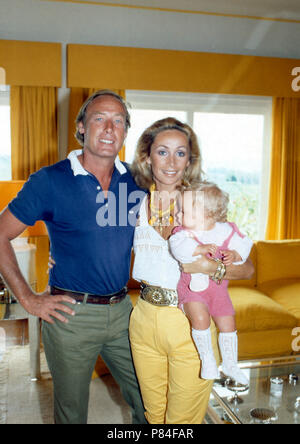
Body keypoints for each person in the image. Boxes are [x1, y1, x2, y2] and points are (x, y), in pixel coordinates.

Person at [0, 90, 147, 424]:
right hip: (70, 317)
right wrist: (28, 300)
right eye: (100, 119)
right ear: (81, 127)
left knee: (149, 399)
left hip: (124, 311)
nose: (110, 128)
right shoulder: (49, 181)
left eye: (119, 121)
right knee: (71, 413)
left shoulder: (138, 181)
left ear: (125, 132)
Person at [128, 117, 254, 424]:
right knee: (154, 416)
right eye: (162, 152)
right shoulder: (133, 203)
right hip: (143, 317)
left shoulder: (202, 204)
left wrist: (210, 268)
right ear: (147, 156)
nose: (171, 162)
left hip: (188, 318)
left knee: (182, 422)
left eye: (180, 153)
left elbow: (247, 267)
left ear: (190, 159)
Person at [169, 181, 252, 385]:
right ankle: (208, 360)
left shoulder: (226, 230)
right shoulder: (183, 233)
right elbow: (177, 247)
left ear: (206, 215)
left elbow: (244, 242)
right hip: (192, 291)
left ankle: (231, 364)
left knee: (228, 323)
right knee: (199, 317)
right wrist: (199, 249)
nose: (177, 215)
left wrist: (235, 254)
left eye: (183, 211)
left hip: (219, 291)